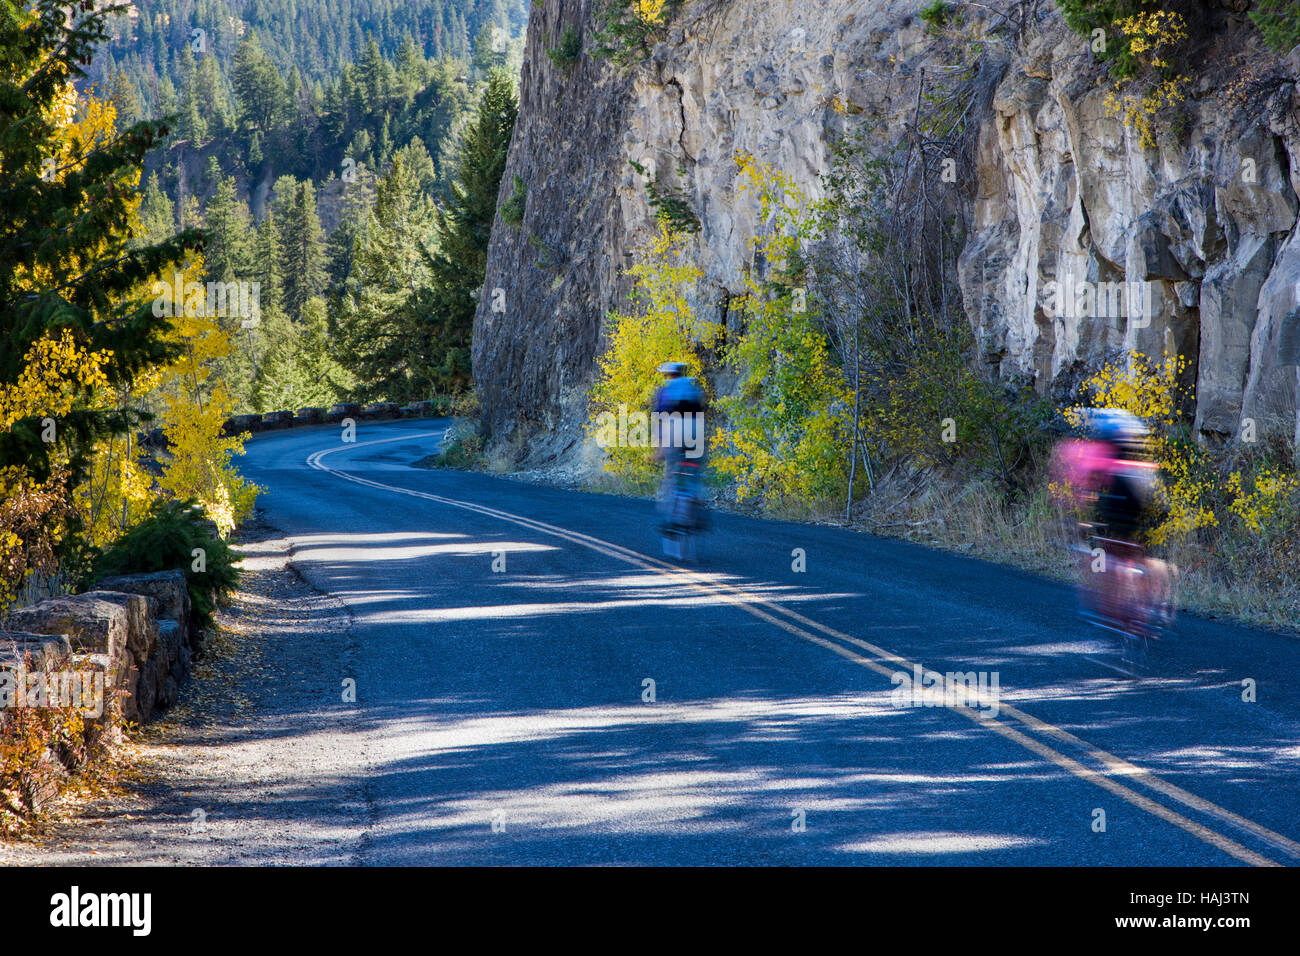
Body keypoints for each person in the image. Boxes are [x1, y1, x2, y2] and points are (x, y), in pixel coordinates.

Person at [651, 361, 705, 559]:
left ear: (668, 375)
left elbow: (660, 419)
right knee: (695, 470)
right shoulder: (693, 387)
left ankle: (671, 508)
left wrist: (659, 450)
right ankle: (697, 497)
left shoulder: (666, 390)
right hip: (696, 432)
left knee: (672, 474)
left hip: (675, 432)